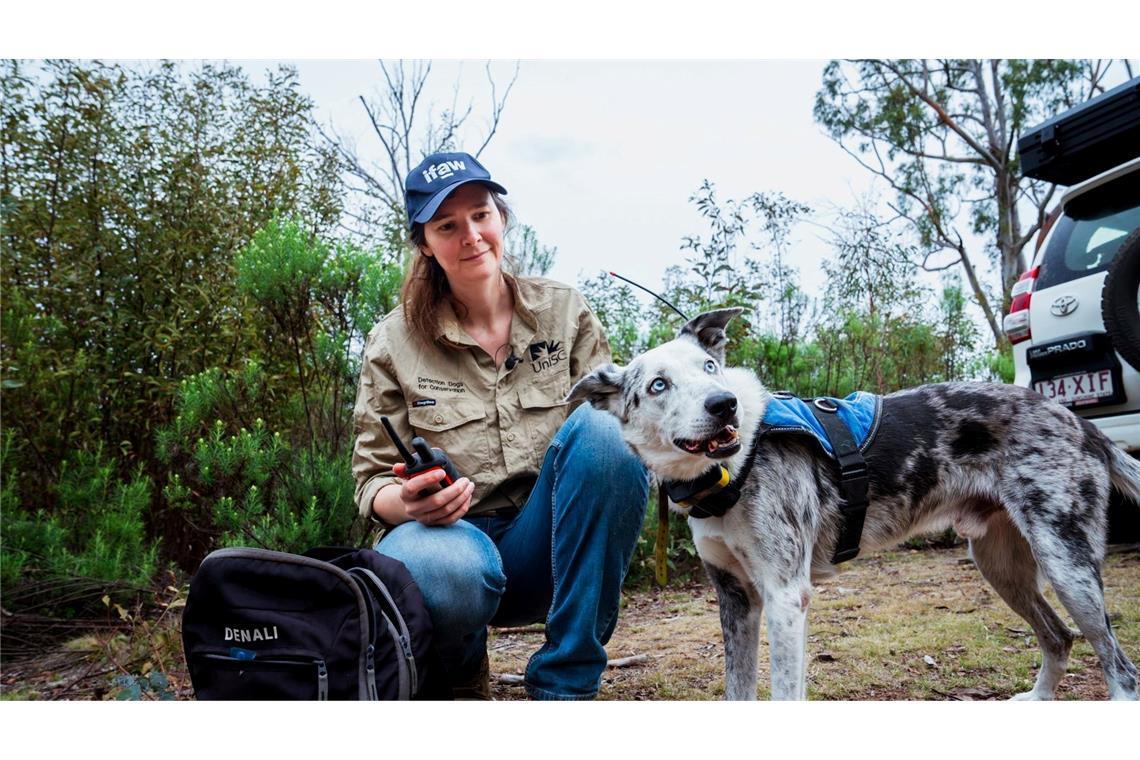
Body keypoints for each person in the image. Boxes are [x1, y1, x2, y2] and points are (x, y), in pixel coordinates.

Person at [351, 151, 650, 700]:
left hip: (553, 543)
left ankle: (566, 684)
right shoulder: (392, 342)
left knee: (611, 430)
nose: (471, 236)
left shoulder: (565, 312)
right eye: (447, 225)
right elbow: (371, 482)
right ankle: (458, 678)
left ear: (502, 218)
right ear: (424, 244)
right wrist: (409, 503)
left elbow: (621, 435)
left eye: (481, 215)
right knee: (444, 566)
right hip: (449, 546)